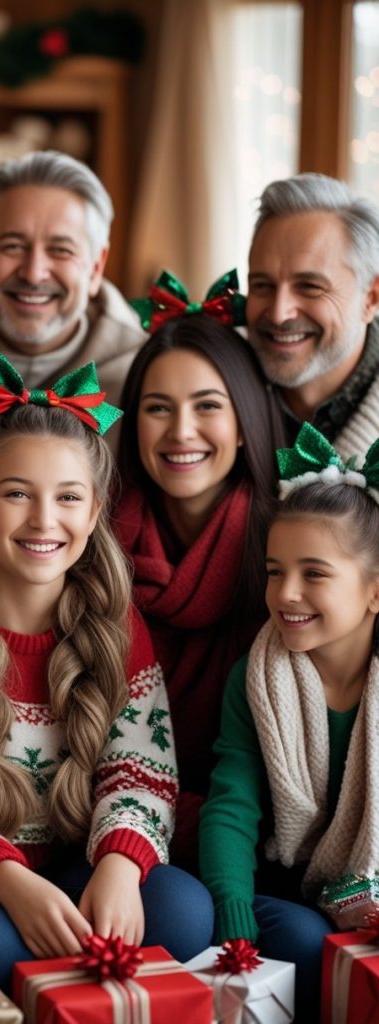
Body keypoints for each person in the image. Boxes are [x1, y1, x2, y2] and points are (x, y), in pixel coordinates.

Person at [0, 351, 214, 994]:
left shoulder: (118, 629)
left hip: (73, 863)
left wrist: (119, 863)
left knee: (181, 910)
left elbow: (143, 770)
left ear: (93, 512)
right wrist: (8, 880)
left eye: (67, 498)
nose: (43, 519)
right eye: (16, 494)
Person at [200, 422, 379, 1024]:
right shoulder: (258, 676)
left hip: (371, 884)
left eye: (314, 573)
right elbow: (232, 804)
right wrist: (232, 915)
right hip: (285, 883)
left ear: (375, 592)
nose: (286, 593)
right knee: (305, 941)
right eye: (276, 571)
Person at [113, 275, 284, 869]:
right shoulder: (93, 547)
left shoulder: (285, 550)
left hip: (255, 844)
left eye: (207, 406)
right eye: (158, 408)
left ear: (244, 422)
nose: (181, 431)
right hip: (116, 830)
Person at [0, 150, 145, 425]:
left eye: (60, 250)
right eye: (13, 246)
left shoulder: (142, 375)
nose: (33, 274)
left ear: (95, 268)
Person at [246, 172, 379, 458]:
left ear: (371, 298)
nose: (279, 314)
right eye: (262, 285)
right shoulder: (213, 377)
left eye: (309, 287)